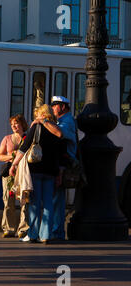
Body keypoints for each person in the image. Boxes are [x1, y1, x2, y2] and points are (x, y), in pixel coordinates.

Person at [10, 104, 64, 244]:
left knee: (34, 203)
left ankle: (33, 234)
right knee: (48, 204)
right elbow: (59, 153)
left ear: (40, 114)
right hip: (51, 171)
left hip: (35, 170)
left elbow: (24, 148)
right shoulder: (56, 129)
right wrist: (58, 173)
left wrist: (14, 164)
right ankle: (45, 235)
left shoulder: (37, 127)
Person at [0, 114, 30, 239]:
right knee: (8, 201)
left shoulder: (28, 138)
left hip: (24, 173)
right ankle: (9, 229)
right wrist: (12, 156)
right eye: (12, 124)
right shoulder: (7, 139)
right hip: (9, 175)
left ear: (22, 124)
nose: (14, 126)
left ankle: (23, 229)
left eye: (16, 123)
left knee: (24, 201)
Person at [50, 96, 77, 240]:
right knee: (56, 198)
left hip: (62, 165)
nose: (53, 107)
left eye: (55, 105)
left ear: (63, 107)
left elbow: (60, 134)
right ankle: (56, 231)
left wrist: (45, 122)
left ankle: (57, 232)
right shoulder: (63, 120)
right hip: (60, 163)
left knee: (57, 199)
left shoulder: (66, 121)